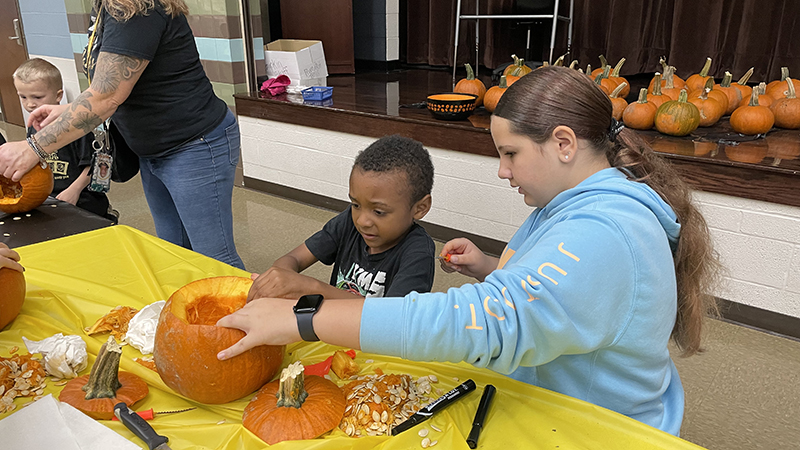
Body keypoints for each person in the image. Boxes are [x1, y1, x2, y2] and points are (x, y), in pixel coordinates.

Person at [215, 66, 720, 435]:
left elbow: (487, 320)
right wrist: (487, 267)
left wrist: (304, 318)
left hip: (596, 428)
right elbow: (538, 292)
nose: (502, 170)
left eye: (510, 154)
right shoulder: (569, 204)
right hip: (550, 400)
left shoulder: (606, 231)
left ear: (564, 143)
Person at [0, 0, 244, 269]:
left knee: (215, 259)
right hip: (151, 149)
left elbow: (107, 95)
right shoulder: (104, 7)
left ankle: (250, 310)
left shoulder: (136, 7)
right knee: (176, 250)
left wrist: (33, 148)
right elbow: (120, 83)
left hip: (193, 144)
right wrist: (69, 109)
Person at [247, 135, 436, 302]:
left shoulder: (418, 252)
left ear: (420, 208)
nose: (362, 221)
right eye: (356, 205)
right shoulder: (348, 222)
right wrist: (282, 278)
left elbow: (391, 318)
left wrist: (312, 288)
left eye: (378, 212)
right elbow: (294, 258)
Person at [13, 58, 113, 220]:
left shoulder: (75, 127)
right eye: (23, 97)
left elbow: (95, 167)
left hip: (82, 199)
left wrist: (74, 191)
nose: (30, 104)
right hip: (50, 199)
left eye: (37, 97)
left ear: (58, 95)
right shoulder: (33, 126)